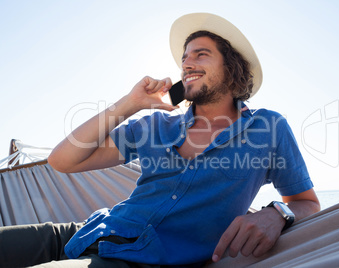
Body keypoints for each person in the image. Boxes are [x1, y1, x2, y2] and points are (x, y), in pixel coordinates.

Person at [0, 13, 320, 267]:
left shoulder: (269, 128)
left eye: (201, 54)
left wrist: (277, 213)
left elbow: (307, 202)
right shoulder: (156, 125)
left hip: (136, 261)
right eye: (184, 58)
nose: (187, 64)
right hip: (83, 232)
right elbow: (63, 160)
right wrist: (129, 103)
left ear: (232, 67)